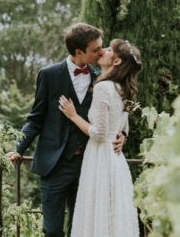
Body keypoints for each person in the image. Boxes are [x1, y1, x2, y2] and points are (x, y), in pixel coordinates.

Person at [6, 22, 125, 237]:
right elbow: (35, 119)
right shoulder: (49, 74)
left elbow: (119, 112)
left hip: (89, 164)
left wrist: (122, 134)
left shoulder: (103, 76)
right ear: (79, 52)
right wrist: (18, 148)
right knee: (52, 230)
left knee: (80, 228)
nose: (101, 52)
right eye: (96, 49)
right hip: (54, 165)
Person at [59, 38, 142, 237]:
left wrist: (73, 116)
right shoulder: (122, 88)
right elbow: (121, 126)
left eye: (109, 49)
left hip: (100, 158)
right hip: (115, 160)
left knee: (98, 211)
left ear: (117, 62)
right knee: (112, 214)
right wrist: (122, 135)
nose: (103, 51)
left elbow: (98, 133)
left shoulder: (104, 87)